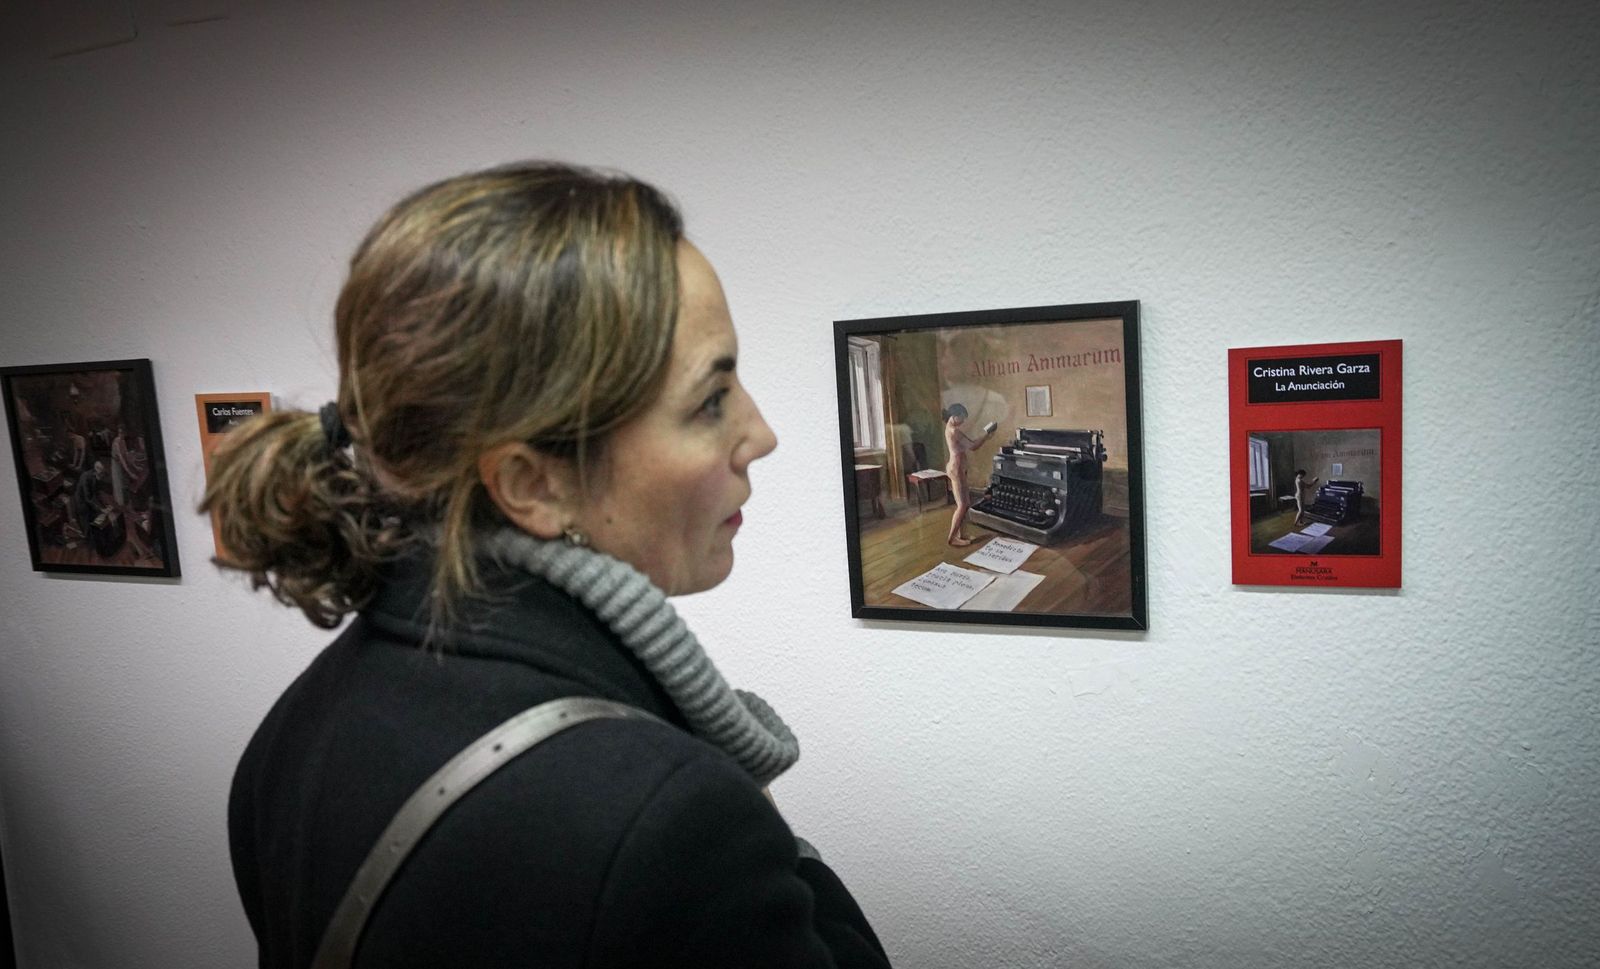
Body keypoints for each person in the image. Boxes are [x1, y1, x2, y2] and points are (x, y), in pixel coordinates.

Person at [204, 162, 890, 968]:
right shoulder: (673, 817)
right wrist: (765, 818)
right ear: (533, 483)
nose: (761, 433)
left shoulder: (290, 736)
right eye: (709, 401)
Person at [942, 403, 996, 546]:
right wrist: (986, 435)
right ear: (954, 416)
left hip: (956, 467)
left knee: (964, 503)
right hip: (956, 468)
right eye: (962, 418)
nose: (963, 421)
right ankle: (952, 538)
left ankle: (962, 535)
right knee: (963, 505)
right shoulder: (955, 432)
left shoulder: (950, 428)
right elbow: (973, 446)